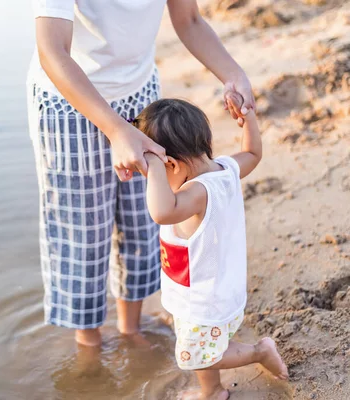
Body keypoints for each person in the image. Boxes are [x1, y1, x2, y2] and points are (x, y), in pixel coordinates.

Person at [27, 0, 255, 347]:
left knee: (140, 222)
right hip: (71, 101)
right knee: (83, 235)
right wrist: (116, 130)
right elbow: (52, 51)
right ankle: (88, 344)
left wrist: (233, 74)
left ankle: (130, 329)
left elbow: (189, 19)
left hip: (139, 92)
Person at [138, 95, 288, 400]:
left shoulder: (195, 193)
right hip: (216, 289)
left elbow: (161, 212)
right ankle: (213, 391)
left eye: (156, 170)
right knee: (204, 347)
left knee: (196, 356)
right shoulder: (226, 169)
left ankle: (259, 352)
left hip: (203, 300)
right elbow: (252, 152)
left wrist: (152, 164)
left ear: (172, 165)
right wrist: (249, 120)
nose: (153, 178)